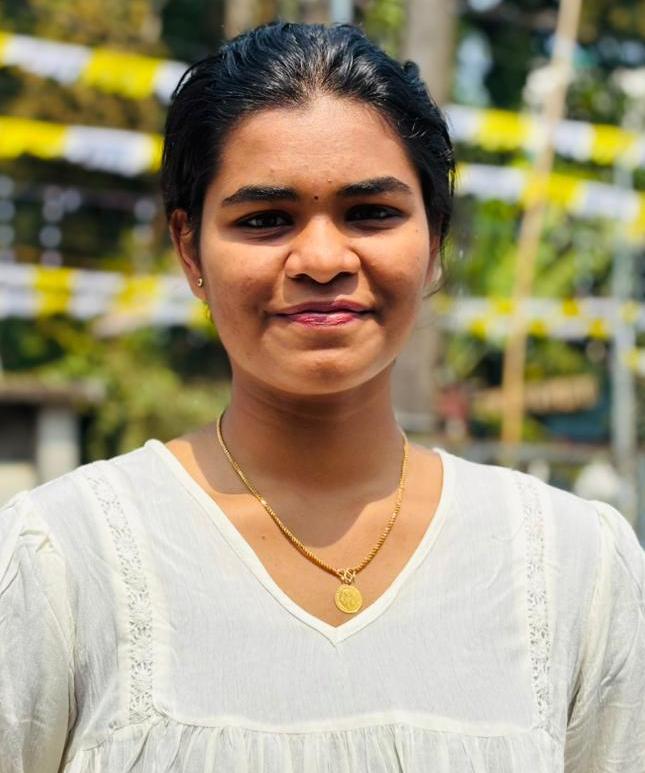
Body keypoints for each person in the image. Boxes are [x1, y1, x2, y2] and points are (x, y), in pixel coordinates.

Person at [1, 22, 643, 773]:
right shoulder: (63, 561)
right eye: (264, 220)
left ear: (434, 241)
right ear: (189, 249)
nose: (321, 259)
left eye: (370, 212)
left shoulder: (574, 566)